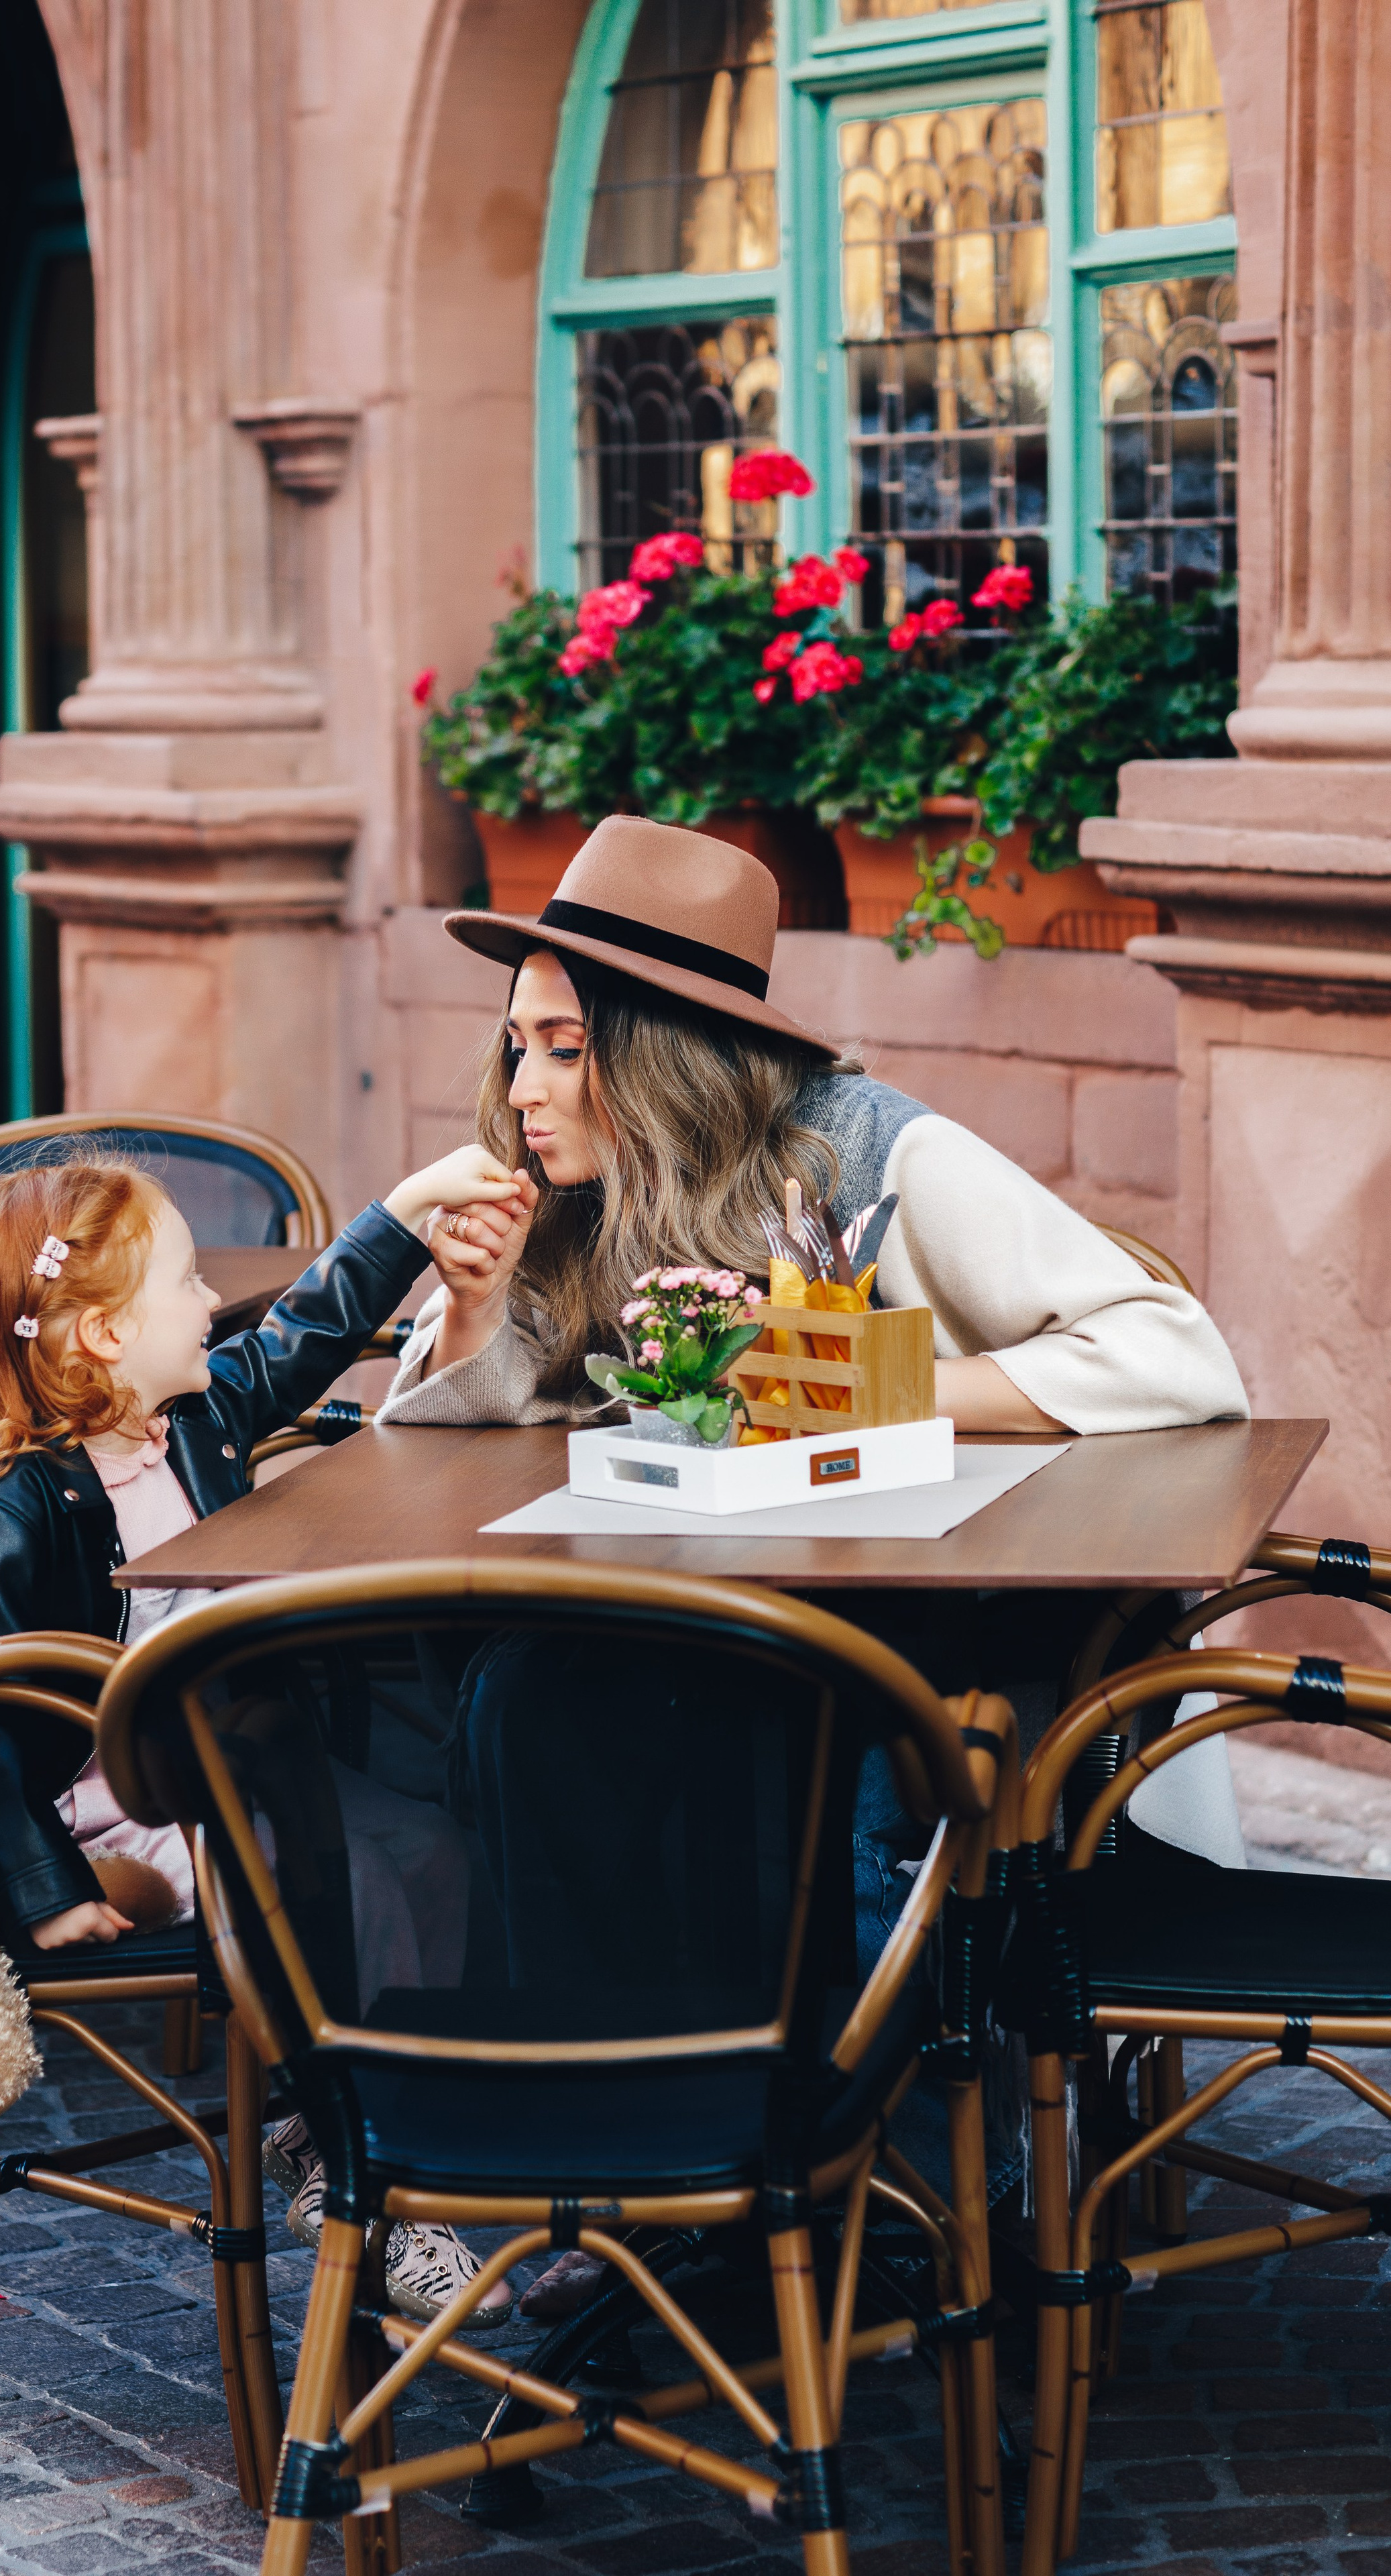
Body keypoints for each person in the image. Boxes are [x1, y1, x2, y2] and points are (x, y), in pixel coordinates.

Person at [377, 813, 1249, 2312]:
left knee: (583, 1719)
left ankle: (820, 2149)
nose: (520, 1090)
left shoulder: (869, 1148)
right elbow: (464, 1430)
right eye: (513, 1047)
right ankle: (612, 2150)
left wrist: (858, 1374)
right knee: (511, 1699)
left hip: (926, 1660)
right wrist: (466, 1315)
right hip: (682, 1641)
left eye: (562, 1049)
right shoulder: (576, 1202)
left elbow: (1173, 1351)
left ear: (660, 1054)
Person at [0, 1145, 522, 2324]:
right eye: (185, 1284)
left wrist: (401, 1210)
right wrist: (41, 1883)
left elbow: (303, 1329)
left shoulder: (194, 1417)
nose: (212, 1305)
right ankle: (358, 2168)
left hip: (251, 1770)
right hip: (116, 1797)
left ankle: (408, 2120)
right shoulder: (3, 1514)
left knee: (438, 1855)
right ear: (99, 1337)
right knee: (340, 1882)